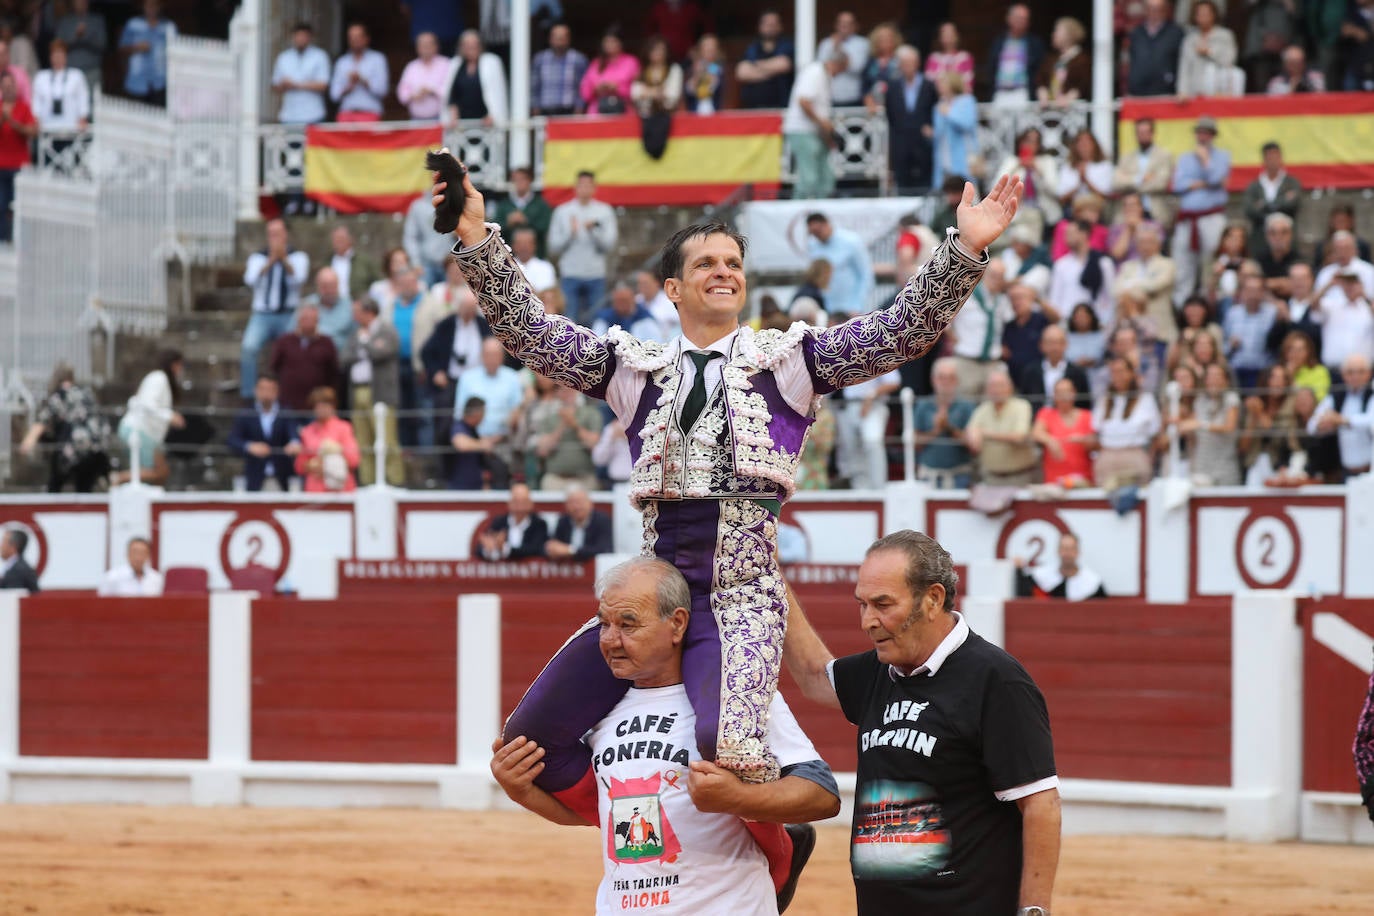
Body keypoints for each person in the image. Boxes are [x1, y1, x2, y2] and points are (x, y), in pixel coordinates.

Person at [431, 150, 1019, 794]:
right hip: (650, 594)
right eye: (706, 263)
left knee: (730, 750)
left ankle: (782, 853)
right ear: (674, 289)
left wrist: (962, 249)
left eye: (734, 264)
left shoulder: (788, 362)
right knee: (528, 743)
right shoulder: (633, 368)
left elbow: (899, 333)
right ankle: (639, 834)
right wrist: (475, 239)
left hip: (742, 598)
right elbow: (530, 333)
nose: (723, 272)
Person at [490, 557, 839, 914]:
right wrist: (522, 792)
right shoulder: (597, 715)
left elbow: (823, 797)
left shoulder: (734, 700)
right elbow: (599, 816)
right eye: (604, 623)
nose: (610, 640)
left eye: (628, 625)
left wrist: (737, 799)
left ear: (676, 624)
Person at [782, 530, 1060, 914]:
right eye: (862, 604)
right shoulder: (882, 670)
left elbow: (1040, 803)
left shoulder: (995, 678)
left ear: (932, 599)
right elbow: (815, 676)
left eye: (883, 604)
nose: (868, 622)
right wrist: (768, 574)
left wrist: (1034, 911)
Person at [240, 219, 309, 401]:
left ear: (285, 234)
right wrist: (270, 261)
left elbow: (300, 279)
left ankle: (287, 392)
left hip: (288, 313)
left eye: (278, 233)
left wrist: (284, 260)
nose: (275, 238)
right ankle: (249, 394)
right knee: (249, 347)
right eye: (271, 234)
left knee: (293, 351)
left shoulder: (298, 256)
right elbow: (250, 280)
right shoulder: (258, 257)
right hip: (262, 314)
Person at [19, 363, 111, 492]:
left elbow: (43, 420)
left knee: (55, 484)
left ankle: (51, 501)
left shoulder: (59, 396)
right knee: (84, 489)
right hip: (98, 451)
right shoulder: (87, 394)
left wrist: (28, 442)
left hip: (73, 451)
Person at [342, 297, 404, 487]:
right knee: (363, 440)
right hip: (358, 390)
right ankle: (367, 481)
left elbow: (383, 352)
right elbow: (344, 357)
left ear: (369, 312)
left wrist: (364, 344)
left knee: (387, 438)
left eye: (357, 312)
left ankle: (394, 481)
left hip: (380, 392)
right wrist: (366, 346)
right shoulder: (355, 333)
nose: (354, 316)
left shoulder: (386, 330)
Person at [1170, 116, 1232, 305]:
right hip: (1188, 218)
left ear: (1212, 136)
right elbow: (1177, 185)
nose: (1202, 136)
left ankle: (1208, 305)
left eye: (1206, 133)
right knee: (1182, 265)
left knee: (1210, 265)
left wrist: (1206, 161)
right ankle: (1182, 306)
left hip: (1211, 216)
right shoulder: (1185, 158)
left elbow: (1216, 179)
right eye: (1200, 132)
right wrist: (1201, 183)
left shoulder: (1222, 156)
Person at [548, 170, 618, 325]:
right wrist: (570, 233)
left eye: (588, 186)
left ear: (594, 188)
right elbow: (553, 247)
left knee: (596, 320)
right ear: (576, 187)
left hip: (595, 274)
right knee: (568, 319)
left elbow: (609, 245)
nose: (585, 189)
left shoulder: (604, 211)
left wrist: (593, 231)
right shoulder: (563, 211)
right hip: (570, 273)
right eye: (581, 185)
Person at [454, 337, 524, 488]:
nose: (491, 359)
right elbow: (460, 414)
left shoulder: (512, 377)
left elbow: (517, 411)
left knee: (503, 469)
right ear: (481, 356)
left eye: (495, 354)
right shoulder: (467, 378)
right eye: (488, 354)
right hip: (473, 439)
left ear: (502, 356)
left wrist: (499, 436)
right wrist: (480, 441)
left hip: (504, 440)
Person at [783, 51, 844, 200]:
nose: (839, 74)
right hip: (801, 130)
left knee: (826, 177)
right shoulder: (814, 72)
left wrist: (827, 136)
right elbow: (804, 102)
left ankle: (823, 210)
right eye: (841, 69)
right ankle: (796, 211)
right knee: (808, 177)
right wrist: (824, 125)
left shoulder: (824, 76)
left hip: (815, 132)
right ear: (835, 64)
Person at [117, 349, 183, 486]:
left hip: (147, 434)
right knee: (158, 472)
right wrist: (170, 416)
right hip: (141, 431)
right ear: (173, 364)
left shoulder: (160, 379)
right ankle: (119, 478)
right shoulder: (159, 378)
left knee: (159, 473)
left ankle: (122, 479)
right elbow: (148, 404)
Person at [1093, 355, 1161, 489]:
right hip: (1108, 456)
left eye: (1121, 371)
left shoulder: (1145, 399)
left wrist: (1150, 457)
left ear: (1131, 373)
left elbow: (1155, 433)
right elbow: (1096, 431)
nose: (1117, 376)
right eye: (1113, 372)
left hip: (1134, 455)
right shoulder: (1104, 401)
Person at [1307, 353, 1374, 479]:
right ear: (1343, 374)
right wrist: (1323, 425)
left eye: (1360, 372)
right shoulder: (1335, 396)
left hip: (1371, 471)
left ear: (1369, 373)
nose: (1355, 376)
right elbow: (1311, 426)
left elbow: (1371, 420)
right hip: (1344, 471)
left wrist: (1341, 420)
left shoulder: (1371, 394)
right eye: (1350, 372)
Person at [966, 369, 1038, 486]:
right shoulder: (981, 410)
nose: (996, 390)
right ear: (987, 390)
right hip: (991, 478)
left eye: (1000, 385)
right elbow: (971, 433)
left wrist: (984, 433)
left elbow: (1019, 437)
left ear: (1010, 388)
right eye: (992, 386)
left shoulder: (1021, 406)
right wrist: (972, 437)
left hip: (1019, 477)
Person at [949, 259, 1009, 398]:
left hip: (992, 361)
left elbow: (1007, 325)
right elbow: (944, 319)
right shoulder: (966, 294)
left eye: (1000, 277)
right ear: (984, 273)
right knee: (965, 401)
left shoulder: (1002, 300)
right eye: (993, 275)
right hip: (967, 359)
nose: (996, 280)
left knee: (992, 403)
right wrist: (953, 337)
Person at [913, 357, 976, 489]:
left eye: (951, 377)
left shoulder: (967, 406)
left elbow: (973, 446)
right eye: (941, 377)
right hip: (928, 475)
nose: (946, 382)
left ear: (957, 381)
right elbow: (915, 444)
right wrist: (935, 430)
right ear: (933, 380)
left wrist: (948, 427)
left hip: (960, 475)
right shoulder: (923, 405)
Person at [227, 375, 298, 492]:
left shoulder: (286, 412)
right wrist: (250, 446)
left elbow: (293, 434)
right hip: (255, 476)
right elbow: (232, 440)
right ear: (256, 390)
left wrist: (294, 444)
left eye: (270, 389)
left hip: (282, 477)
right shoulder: (246, 414)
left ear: (277, 392)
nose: (266, 393)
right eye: (263, 389)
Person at [883, 45, 937, 194]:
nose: (907, 67)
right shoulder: (893, 87)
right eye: (904, 63)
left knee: (924, 181)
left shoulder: (929, 86)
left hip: (923, 142)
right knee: (903, 184)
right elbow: (891, 115)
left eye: (910, 63)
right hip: (901, 142)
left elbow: (934, 109)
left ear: (917, 63)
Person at [834, 369, 900, 490]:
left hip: (873, 404)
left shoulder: (880, 350)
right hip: (846, 404)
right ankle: (859, 490)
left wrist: (872, 395)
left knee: (872, 442)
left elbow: (894, 381)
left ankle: (878, 489)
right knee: (851, 449)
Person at [529, 385, 603, 492]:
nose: (567, 393)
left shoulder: (591, 413)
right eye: (562, 390)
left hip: (585, 478)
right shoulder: (548, 417)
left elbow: (594, 444)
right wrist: (562, 424)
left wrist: (574, 425)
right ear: (556, 393)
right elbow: (543, 450)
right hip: (555, 479)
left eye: (570, 389)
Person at [1114, 222, 1178, 345]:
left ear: (1158, 244)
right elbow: (1115, 290)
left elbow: (1155, 286)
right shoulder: (1127, 266)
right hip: (1130, 332)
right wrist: (1138, 289)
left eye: (1149, 242)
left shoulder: (1167, 264)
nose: (1145, 246)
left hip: (1159, 331)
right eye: (1141, 242)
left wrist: (1129, 287)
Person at [267, 303, 338, 412]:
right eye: (305, 318)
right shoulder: (284, 341)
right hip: (288, 403)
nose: (308, 322)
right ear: (298, 320)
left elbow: (333, 371)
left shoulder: (326, 342)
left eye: (312, 319)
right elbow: (274, 368)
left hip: (317, 405)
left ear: (317, 321)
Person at [1239, 363, 1301, 483]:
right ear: (1266, 380)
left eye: (1282, 378)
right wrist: (1253, 419)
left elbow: (1279, 437)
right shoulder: (1255, 405)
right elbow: (1243, 447)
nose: (1278, 383)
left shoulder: (1291, 407)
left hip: (1282, 466)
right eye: (1274, 378)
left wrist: (1259, 414)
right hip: (1254, 463)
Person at [1051, 219, 1117, 326]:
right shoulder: (1061, 265)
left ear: (1084, 234)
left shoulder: (1104, 263)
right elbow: (1055, 299)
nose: (1066, 238)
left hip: (1097, 321)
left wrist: (1108, 320)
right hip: (1068, 321)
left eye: (1070, 233)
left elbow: (1111, 295)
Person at [293, 386, 359, 492]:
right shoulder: (307, 431)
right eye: (318, 405)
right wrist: (311, 465)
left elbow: (354, 459)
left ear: (333, 406)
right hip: (315, 490)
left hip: (341, 490)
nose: (322, 409)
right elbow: (299, 465)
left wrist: (328, 464)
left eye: (326, 405)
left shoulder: (344, 428)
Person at [805, 213, 874, 315]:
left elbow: (866, 274)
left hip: (851, 308)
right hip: (826, 307)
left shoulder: (851, 241)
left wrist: (857, 305)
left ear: (827, 225)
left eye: (818, 231)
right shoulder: (812, 244)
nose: (817, 236)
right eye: (813, 233)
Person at [1033, 377, 1095, 487]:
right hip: (1054, 480)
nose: (1064, 396)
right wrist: (1050, 440)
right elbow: (1036, 433)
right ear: (1054, 395)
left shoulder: (1087, 416)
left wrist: (1083, 440)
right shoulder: (1046, 414)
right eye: (1060, 392)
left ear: (1074, 393)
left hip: (1082, 479)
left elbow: (1095, 444)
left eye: (1067, 391)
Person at [1114, 118, 1175, 225]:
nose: (1142, 135)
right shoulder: (1126, 157)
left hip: (1155, 211)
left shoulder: (1164, 155)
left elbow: (1160, 184)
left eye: (1146, 132)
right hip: (1129, 213)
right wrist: (1139, 179)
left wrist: (1130, 184)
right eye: (1139, 132)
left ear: (1153, 133)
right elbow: (1116, 183)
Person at [1221, 274, 1277, 389]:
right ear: (1242, 292)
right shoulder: (1232, 314)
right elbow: (1223, 345)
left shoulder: (1272, 313)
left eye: (1257, 290)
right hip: (1236, 371)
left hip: (1263, 372)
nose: (1253, 295)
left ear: (1263, 293)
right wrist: (1231, 345)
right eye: (1249, 290)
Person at [984, 3, 1046, 105]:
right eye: (1018, 17)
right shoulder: (999, 42)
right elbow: (991, 67)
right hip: (1000, 92)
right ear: (1009, 18)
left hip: (1023, 93)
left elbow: (1040, 71)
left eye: (1024, 18)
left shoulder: (1034, 44)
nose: (1021, 21)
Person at [1015, 531, 1106, 599]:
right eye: (1063, 548)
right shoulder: (1041, 576)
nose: (1067, 553)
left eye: (1071, 549)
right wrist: (1018, 568)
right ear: (1058, 551)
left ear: (1078, 552)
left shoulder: (1092, 583)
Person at [443, 29, 508, 126]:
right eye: (467, 44)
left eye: (474, 44)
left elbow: (498, 92)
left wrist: (493, 114)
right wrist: (452, 115)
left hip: (486, 122)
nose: (471, 47)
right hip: (461, 122)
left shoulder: (491, 62)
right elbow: (452, 94)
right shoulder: (455, 64)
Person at [1243, 142, 1301, 248]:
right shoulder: (1254, 185)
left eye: (1275, 156)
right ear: (1264, 159)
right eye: (1269, 157)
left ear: (1280, 158)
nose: (1272, 160)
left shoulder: (1291, 182)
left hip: (1287, 240)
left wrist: (1264, 205)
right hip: (1260, 238)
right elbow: (1249, 210)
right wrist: (1281, 202)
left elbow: (1293, 205)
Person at [271, 22, 330, 125]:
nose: (300, 39)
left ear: (310, 37)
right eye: (298, 36)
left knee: (313, 142)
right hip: (289, 115)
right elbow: (275, 85)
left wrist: (296, 84)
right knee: (291, 141)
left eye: (304, 36)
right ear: (293, 37)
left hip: (313, 114)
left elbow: (323, 85)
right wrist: (284, 85)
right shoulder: (284, 57)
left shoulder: (320, 56)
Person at [329, 23, 388, 122]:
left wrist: (362, 81)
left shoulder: (378, 59)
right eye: (351, 37)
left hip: (370, 113)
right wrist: (349, 87)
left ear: (367, 38)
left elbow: (382, 91)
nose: (354, 40)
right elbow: (334, 95)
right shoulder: (342, 62)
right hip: (346, 114)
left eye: (358, 36)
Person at [1177, 0, 1237, 96]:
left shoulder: (1225, 35)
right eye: (1199, 14)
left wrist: (1209, 52)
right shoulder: (1190, 39)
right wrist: (1182, 91)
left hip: (1219, 93)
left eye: (1206, 14)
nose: (1203, 17)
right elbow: (1184, 69)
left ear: (1214, 15)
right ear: (1195, 16)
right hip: (1195, 93)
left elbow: (1229, 61)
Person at [0, 70, 33, 243]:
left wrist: (12, 122)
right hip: (1, 166)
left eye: (10, 85)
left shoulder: (24, 107)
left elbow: (32, 131)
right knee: (1, 206)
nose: (8, 89)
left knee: (21, 207)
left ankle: (22, 242)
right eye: (4, 86)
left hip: (19, 166)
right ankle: (3, 243)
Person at [736, 10, 794, 110]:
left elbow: (784, 64)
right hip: (752, 109)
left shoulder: (787, 45)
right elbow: (741, 72)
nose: (771, 27)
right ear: (760, 27)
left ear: (780, 26)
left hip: (781, 108)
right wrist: (772, 71)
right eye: (767, 24)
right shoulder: (753, 48)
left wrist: (755, 66)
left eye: (774, 24)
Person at [119, 0, 173, 106]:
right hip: (137, 81)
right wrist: (136, 47)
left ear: (160, 6)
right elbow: (122, 49)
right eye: (148, 5)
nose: (151, 8)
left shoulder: (168, 26)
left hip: (160, 81)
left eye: (154, 5)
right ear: (143, 6)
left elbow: (176, 53)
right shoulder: (133, 24)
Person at [479, 482, 549, 560]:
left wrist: (505, 548)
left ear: (531, 504)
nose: (520, 506)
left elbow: (536, 549)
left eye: (523, 501)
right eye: (516, 501)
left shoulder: (539, 524)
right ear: (509, 503)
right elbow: (480, 548)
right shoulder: (499, 522)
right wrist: (489, 547)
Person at [1128, 0, 1185, 95]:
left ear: (1165, 10)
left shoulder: (1176, 33)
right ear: (1145, 10)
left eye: (1158, 9)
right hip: (1139, 91)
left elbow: (1182, 63)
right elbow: (1131, 61)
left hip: (1166, 91)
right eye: (1150, 9)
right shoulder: (1136, 33)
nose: (1154, 13)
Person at [492, 166, 553, 256]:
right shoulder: (504, 205)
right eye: (515, 179)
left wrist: (526, 221)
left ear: (530, 181)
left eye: (522, 179)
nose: (519, 183)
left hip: (535, 257)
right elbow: (494, 230)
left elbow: (545, 228)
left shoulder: (541, 204)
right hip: (508, 257)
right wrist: (508, 223)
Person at [930, 71, 974, 192]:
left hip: (963, 156)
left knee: (965, 190)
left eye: (943, 83)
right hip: (943, 156)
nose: (939, 86)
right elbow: (939, 131)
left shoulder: (967, 101)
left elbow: (967, 124)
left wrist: (949, 113)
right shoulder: (939, 105)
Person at [32, 39, 89, 133]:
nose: (58, 57)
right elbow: (36, 101)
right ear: (50, 57)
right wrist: (36, 118)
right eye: (55, 54)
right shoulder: (41, 77)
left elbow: (82, 99)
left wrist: (83, 117)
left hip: (71, 128)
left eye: (61, 54)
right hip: (46, 128)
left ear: (66, 56)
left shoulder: (76, 76)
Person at [530, 23, 587, 117]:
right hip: (545, 110)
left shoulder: (578, 59)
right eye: (556, 37)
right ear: (550, 39)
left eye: (562, 38)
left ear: (568, 39)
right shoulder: (540, 59)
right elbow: (534, 85)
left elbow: (583, 86)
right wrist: (535, 106)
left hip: (569, 110)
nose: (559, 41)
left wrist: (579, 107)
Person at [579, 27, 639, 114]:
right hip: (597, 113)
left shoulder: (631, 62)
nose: (609, 45)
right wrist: (596, 89)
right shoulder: (596, 63)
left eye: (613, 41)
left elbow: (637, 89)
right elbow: (585, 92)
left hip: (624, 111)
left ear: (621, 43)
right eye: (606, 41)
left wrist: (617, 88)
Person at [546, 484, 613, 559]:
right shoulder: (563, 521)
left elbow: (604, 549)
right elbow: (555, 545)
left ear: (590, 503)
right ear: (566, 505)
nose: (576, 507)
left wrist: (571, 550)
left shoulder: (602, 521)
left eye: (580, 502)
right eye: (572, 502)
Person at [816, 10, 868, 106]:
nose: (844, 26)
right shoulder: (826, 43)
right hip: (829, 98)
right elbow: (821, 69)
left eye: (848, 23)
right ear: (836, 25)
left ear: (855, 26)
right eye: (841, 23)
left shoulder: (862, 43)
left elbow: (857, 68)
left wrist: (839, 48)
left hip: (853, 98)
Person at [301, 267, 355, 358]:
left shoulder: (349, 306)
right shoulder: (306, 305)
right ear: (318, 286)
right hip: (312, 359)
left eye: (333, 286)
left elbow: (356, 335)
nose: (330, 291)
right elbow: (294, 334)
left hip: (342, 360)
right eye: (325, 286)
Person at [1036, 16, 1091, 106]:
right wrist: (1043, 93)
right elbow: (1040, 79)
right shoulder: (1051, 58)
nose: (1053, 34)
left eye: (1057, 31)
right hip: (1049, 112)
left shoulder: (1082, 60)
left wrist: (1068, 98)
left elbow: (1083, 84)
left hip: (1072, 114)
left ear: (1069, 34)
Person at [397, 31, 450, 121]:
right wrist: (413, 96)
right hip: (416, 119)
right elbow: (402, 93)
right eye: (423, 45)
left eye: (429, 45)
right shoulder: (411, 66)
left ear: (436, 46)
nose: (426, 48)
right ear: (417, 48)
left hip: (440, 119)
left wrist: (432, 91)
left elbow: (452, 90)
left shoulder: (446, 64)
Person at [55, 0, 106, 93]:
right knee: (69, 102)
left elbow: (102, 45)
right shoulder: (65, 21)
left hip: (91, 71)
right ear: (73, 3)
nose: (82, 3)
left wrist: (86, 38)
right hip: (70, 71)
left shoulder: (97, 20)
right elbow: (58, 47)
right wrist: (76, 37)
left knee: (92, 103)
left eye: (84, 1)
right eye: (78, 1)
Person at [404, 194, 454, 288]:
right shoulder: (418, 206)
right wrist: (416, 263)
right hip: (425, 266)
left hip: (450, 265)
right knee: (426, 300)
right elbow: (411, 237)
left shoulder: (454, 202)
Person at [591, 281, 665, 342]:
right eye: (618, 301)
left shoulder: (645, 319)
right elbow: (596, 342)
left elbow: (657, 343)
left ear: (633, 300)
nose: (621, 304)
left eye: (624, 300)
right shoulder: (604, 319)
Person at [631, 35, 684, 118]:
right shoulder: (643, 70)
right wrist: (656, 92)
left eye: (661, 49)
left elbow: (672, 94)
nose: (658, 53)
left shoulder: (674, 69)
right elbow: (635, 93)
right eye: (654, 50)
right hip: (644, 115)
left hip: (668, 115)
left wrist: (647, 92)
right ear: (648, 52)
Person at [1057, 130, 1114, 207]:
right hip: (1073, 208)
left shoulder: (1105, 166)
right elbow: (1062, 199)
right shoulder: (1067, 168)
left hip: (1098, 208)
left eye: (1087, 143)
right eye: (1081, 143)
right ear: (1075, 147)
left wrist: (1086, 180)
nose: (1084, 146)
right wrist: (1079, 184)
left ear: (1094, 145)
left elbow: (1106, 196)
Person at [328, 226, 383, 304]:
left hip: (359, 305)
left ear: (350, 239)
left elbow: (378, 282)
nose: (338, 242)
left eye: (341, 238)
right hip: (333, 305)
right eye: (336, 239)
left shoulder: (364, 260)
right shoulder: (327, 261)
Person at [646, 0, 713, 62]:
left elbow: (707, 28)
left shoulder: (692, 7)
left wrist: (698, 48)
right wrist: (656, 48)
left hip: (687, 56)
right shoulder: (658, 8)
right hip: (664, 56)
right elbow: (650, 31)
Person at [98, 537, 164, 597]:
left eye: (142, 553)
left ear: (148, 555)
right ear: (127, 554)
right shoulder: (112, 577)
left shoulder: (156, 578)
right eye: (135, 552)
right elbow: (104, 603)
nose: (138, 557)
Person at [448, 396, 490, 489]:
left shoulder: (473, 431)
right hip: (459, 486)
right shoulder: (458, 426)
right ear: (476, 413)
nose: (484, 416)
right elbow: (460, 444)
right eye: (483, 412)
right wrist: (483, 445)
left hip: (474, 486)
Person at [1257, 213, 1302, 299]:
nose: (1278, 237)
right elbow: (1254, 286)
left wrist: (1267, 284)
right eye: (1273, 233)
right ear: (1266, 236)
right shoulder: (1259, 258)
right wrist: (1281, 283)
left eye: (1284, 232)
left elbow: (1297, 288)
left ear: (1291, 235)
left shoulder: (1299, 259)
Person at [859, 22, 900, 111]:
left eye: (888, 37)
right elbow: (865, 85)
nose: (885, 41)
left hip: (896, 108)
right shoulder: (871, 62)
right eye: (881, 38)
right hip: (875, 108)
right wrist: (868, 100)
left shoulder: (900, 60)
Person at [684, 33, 725, 115]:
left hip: (715, 114)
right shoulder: (692, 69)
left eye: (712, 46)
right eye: (706, 46)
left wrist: (711, 73)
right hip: (695, 114)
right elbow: (687, 93)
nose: (709, 49)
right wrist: (697, 75)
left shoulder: (721, 70)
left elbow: (720, 92)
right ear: (700, 49)